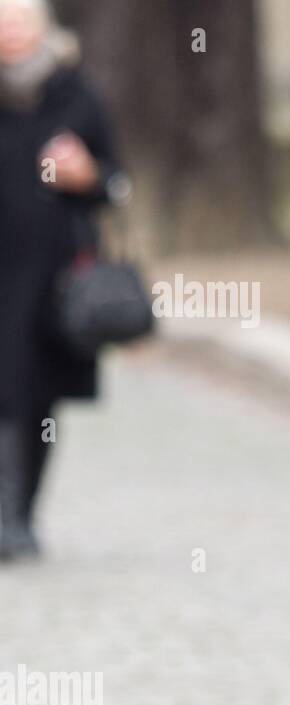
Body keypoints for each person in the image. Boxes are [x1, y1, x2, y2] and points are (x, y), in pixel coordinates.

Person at [0, 0, 124, 560]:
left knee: (35, 397)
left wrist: (87, 175)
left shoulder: (74, 91)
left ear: (41, 28)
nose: (9, 32)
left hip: (50, 274)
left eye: (18, 20)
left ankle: (19, 514)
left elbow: (113, 182)